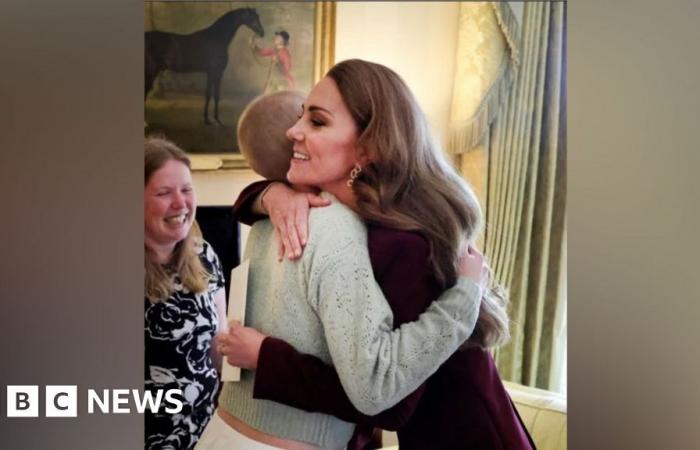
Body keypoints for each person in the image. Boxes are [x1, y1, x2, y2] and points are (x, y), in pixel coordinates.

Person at [225, 59, 536, 449]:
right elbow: (243, 205)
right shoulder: (349, 219)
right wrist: (270, 195)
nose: (293, 132)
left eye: (317, 122)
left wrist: (266, 359)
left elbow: (387, 405)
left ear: (367, 148)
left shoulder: (401, 243)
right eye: (301, 116)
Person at [144, 137, 228, 450]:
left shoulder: (205, 254)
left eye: (186, 190)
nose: (181, 204)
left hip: (205, 434)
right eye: (164, 193)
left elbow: (220, 344)